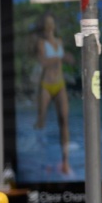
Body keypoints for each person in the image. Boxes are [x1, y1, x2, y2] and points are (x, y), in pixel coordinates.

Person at [33, 13, 74, 176]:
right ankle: (42, 159)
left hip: (60, 84)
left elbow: (61, 60)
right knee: (41, 120)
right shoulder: (41, 43)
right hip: (46, 84)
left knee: (64, 120)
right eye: (47, 24)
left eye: (51, 24)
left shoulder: (60, 42)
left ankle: (65, 161)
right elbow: (43, 61)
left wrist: (67, 59)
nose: (49, 27)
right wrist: (61, 57)